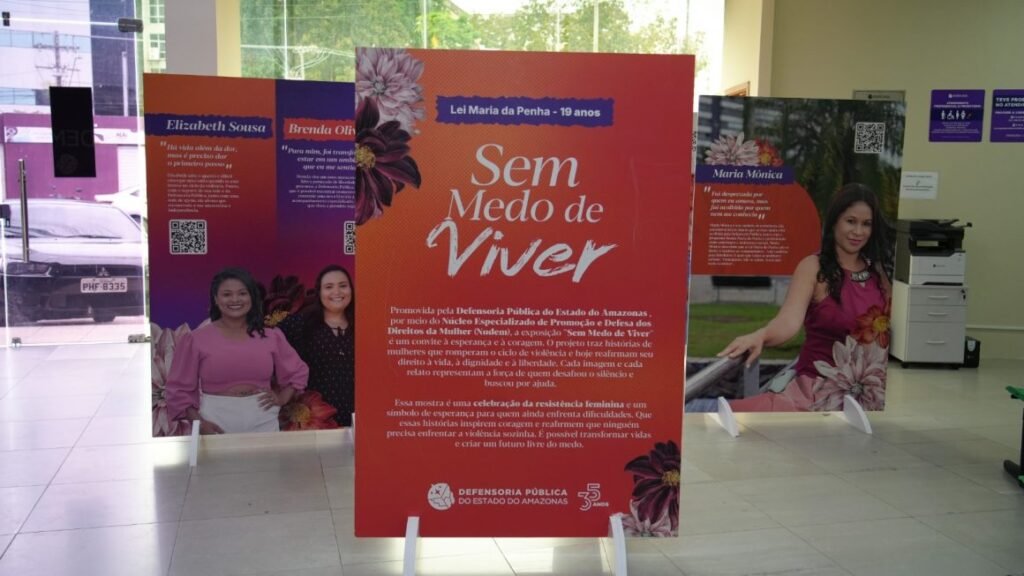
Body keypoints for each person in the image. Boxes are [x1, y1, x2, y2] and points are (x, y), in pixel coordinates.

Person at [718, 183, 892, 411]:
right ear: (834, 222)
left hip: (872, 398)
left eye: (866, 224)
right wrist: (761, 335)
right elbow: (788, 322)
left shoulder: (880, 273)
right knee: (732, 418)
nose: (858, 232)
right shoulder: (812, 267)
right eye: (851, 221)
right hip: (816, 394)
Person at [165, 267, 309, 433]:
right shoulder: (195, 339)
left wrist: (282, 398)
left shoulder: (271, 336)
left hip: (263, 415)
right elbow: (179, 389)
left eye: (242, 293)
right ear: (216, 299)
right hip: (215, 419)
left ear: (251, 297)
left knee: (265, 452)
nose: (235, 299)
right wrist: (199, 423)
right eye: (227, 294)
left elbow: (297, 372)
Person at [278, 265, 355, 426]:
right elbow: (266, 347)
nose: (337, 292)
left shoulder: (366, 325)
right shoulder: (299, 325)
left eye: (343, 286)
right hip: (312, 422)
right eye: (328, 287)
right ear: (319, 292)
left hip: (359, 421)